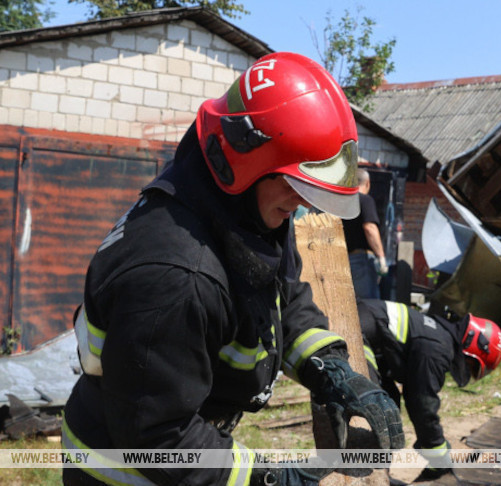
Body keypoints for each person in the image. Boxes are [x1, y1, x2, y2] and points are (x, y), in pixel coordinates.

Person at [61, 52, 404, 486]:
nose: (304, 203)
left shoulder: (241, 212)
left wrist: (329, 368)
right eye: (297, 185)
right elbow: (161, 440)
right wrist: (273, 478)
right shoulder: (177, 277)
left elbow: (283, 297)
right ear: (248, 162)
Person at [356, 299, 501, 481]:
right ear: (473, 342)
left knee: (389, 402)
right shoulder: (438, 347)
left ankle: (378, 476)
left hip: (368, 333)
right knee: (376, 409)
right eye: (472, 366)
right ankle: (366, 478)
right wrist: (437, 451)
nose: (468, 370)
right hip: (358, 334)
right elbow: (422, 403)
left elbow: (413, 393)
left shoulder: (438, 337)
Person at [342, 169, 388, 299]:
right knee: (368, 306)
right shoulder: (365, 200)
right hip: (361, 261)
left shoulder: (341, 202)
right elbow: (370, 227)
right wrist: (381, 257)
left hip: (342, 260)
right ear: (367, 183)